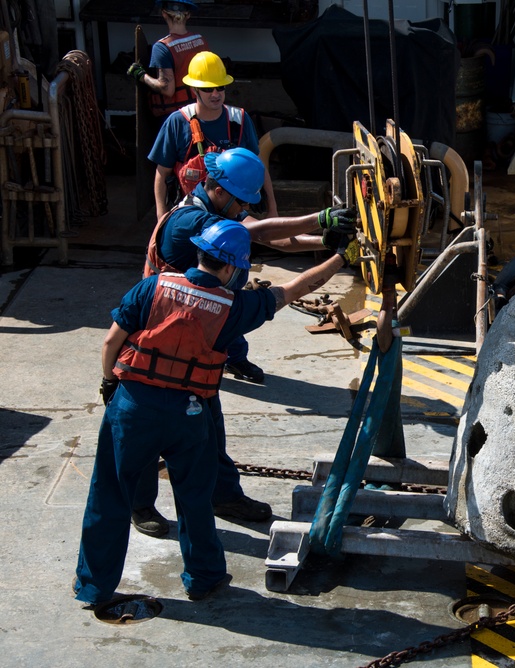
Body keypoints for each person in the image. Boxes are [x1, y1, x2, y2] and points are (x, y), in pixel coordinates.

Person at [74, 219, 354, 607]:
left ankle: (94, 586)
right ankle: (203, 577)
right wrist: (341, 256)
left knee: (109, 494)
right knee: (195, 497)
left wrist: (110, 383)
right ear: (230, 268)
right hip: (190, 413)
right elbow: (297, 287)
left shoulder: (153, 286)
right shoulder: (234, 308)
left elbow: (111, 341)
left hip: (134, 406)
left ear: (200, 254)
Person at [131, 147, 356, 537]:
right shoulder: (192, 221)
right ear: (218, 190)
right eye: (241, 201)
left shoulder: (221, 211)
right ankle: (139, 504)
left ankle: (223, 496)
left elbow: (275, 241)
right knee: (148, 429)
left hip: (201, 335)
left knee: (207, 423)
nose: (243, 209)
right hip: (163, 333)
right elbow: (259, 233)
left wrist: (325, 238)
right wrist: (319, 220)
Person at [148, 50, 279, 221]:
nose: (216, 94)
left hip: (233, 217)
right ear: (194, 90)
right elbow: (162, 174)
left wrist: (273, 209)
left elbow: (259, 166)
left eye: (220, 87)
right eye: (208, 89)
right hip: (190, 215)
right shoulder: (177, 122)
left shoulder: (239, 120)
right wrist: (162, 217)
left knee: (263, 235)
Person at [127, 0, 209, 120]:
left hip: (177, 118)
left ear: (164, 14)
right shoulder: (201, 41)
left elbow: (167, 89)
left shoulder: (162, 48)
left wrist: (141, 75)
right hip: (201, 110)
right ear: (188, 15)